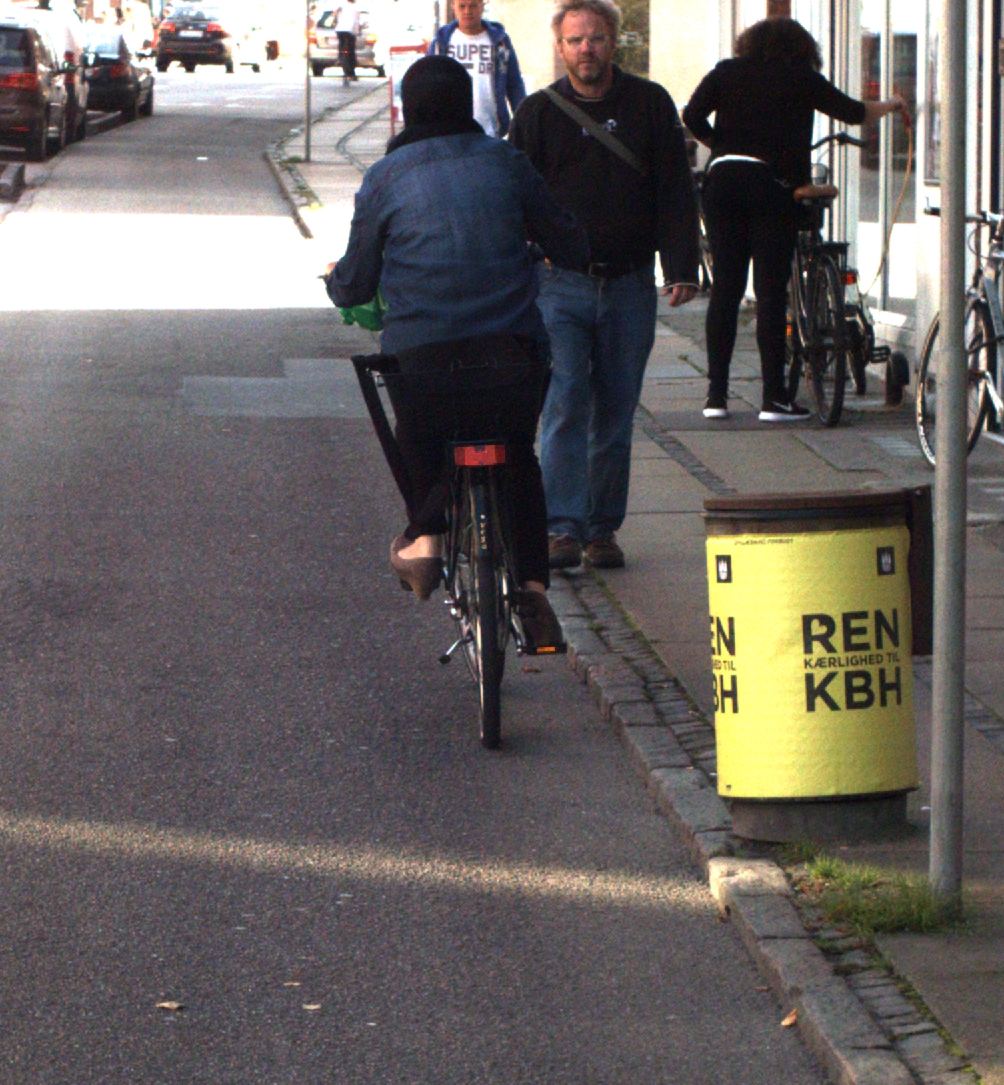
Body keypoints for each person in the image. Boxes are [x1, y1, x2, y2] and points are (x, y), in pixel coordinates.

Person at [325, 55, 589, 648]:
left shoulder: (385, 177)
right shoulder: (506, 162)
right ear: (467, 104)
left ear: (406, 109)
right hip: (512, 358)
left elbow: (357, 283)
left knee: (420, 435)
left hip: (424, 365)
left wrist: (335, 283)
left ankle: (426, 537)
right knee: (517, 454)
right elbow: (570, 244)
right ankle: (534, 591)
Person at [507, 0, 699, 571]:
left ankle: (601, 529)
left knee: (615, 412)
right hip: (560, 286)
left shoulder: (650, 104)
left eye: (595, 38)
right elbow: (514, 197)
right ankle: (560, 527)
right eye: (575, 40)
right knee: (565, 402)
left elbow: (674, 187)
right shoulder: (537, 113)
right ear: (560, 48)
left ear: (614, 41)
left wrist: (682, 264)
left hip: (630, 284)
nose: (585, 49)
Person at [683, 19, 907, 423]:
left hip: (723, 182)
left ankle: (715, 398)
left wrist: (722, 145)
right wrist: (891, 105)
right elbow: (853, 112)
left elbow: (692, 115)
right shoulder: (801, 76)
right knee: (771, 293)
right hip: (772, 185)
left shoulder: (727, 71)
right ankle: (774, 400)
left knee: (726, 290)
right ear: (802, 48)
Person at [428, 0, 525, 139]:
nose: (467, 11)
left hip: (490, 133)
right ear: (453, 7)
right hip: (450, 133)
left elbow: (514, 84)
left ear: (482, 5)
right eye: (462, 6)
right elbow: (428, 86)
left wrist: (524, 121)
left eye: (473, 5)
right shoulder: (441, 43)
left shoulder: (500, 42)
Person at [333, 0, 361, 84]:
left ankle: (340, 57)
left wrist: (335, 21)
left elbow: (335, 12)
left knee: (342, 46)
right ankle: (351, 73)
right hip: (350, 31)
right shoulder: (356, 7)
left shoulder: (342, 3)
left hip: (340, 29)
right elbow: (356, 21)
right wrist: (357, 31)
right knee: (351, 51)